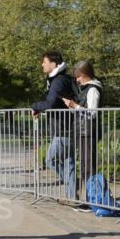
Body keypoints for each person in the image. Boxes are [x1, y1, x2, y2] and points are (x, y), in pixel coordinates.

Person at [31, 50, 75, 201]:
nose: (42, 65)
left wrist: (35, 106)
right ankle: (72, 196)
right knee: (68, 162)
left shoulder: (58, 81)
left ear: (54, 64)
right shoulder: (62, 79)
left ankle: (73, 186)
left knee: (51, 160)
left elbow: (50, 104)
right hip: (66, 127)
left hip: (63, 128)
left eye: (45, 62)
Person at [62, 60, 103, 212]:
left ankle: (92, 200)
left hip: (88, 131)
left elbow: (92, 113)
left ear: (85, 74)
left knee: (89, 167)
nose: (77, 80)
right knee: (85, 166)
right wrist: (73, 107)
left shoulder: (93, 90)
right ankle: (90, 199)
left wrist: (75, 106)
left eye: (78, 77)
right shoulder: (87, 89)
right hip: (83, 131)